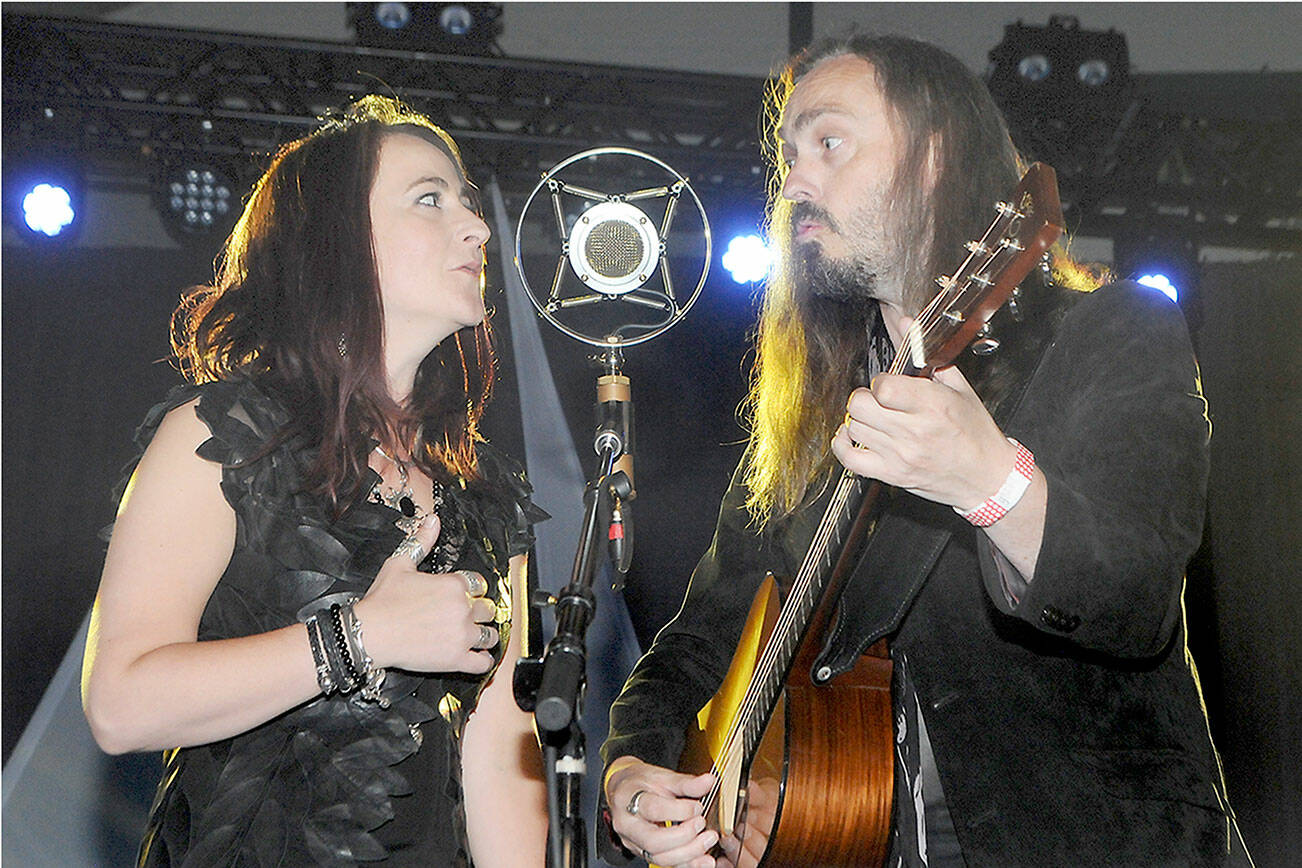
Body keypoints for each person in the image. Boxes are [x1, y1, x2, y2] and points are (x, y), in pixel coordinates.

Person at [599, 34, 1251, 868]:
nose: (795, 181)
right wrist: (632, 774)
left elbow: (1134, 595)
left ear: (936, 156)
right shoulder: (809, 431)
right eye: (788, 156)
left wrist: (990, 480)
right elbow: (692, 649)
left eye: (828, 143)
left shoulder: (1110, 334)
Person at [82, 95, 548, 867]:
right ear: (335, 242)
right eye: (430, 199)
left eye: (469, 203)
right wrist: (361, 636)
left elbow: (502, 756)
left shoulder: (485, 497)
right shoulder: (221, 438)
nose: (477, 227)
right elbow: (121, 704)